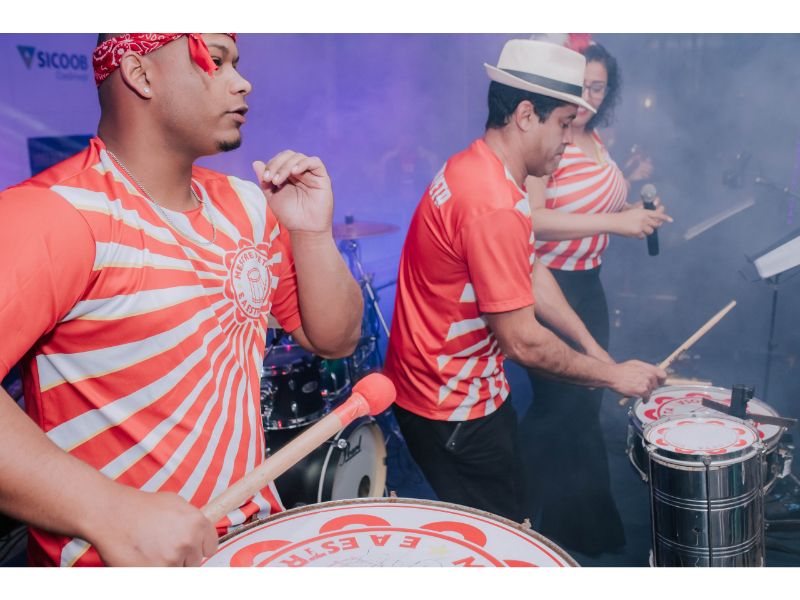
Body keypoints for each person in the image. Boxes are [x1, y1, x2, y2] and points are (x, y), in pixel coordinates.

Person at [0, 33, 363, 567]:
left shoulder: (248, 205)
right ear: (140, 74)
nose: (243, 82)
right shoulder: (57, 214)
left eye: (237, 63)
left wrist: (312, 234)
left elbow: (336, 339)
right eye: (214, 60)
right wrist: (107, 510)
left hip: (245, 543)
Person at [383, 39, 666, 524]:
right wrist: (614, 376)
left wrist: (593, 349)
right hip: (452, 405)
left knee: (513, 509)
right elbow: (523, 342)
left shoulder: (480, 165)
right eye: (563, 123)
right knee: (500, 537)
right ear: (526, 115)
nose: (568, 139)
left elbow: (530, 269)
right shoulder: (492, 202)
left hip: (463, 389)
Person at [518, 41, 671, 556]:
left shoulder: (593, 137)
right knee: (558, 407)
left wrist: (634, 210)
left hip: (589, 283)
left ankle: (578, 527)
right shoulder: (550, 139)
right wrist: (615, 222)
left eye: (599, 88)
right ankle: (523, 520)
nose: (588, 97)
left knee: (583, 407)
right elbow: (532, 221)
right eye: (580, 85)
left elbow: (591, 204)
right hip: (550, 284)